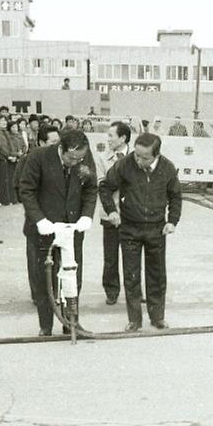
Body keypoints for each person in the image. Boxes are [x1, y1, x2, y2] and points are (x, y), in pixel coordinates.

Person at [99, 133, 181, 331]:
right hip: (129, 228)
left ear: (156, 155)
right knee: (131, 275)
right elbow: (105, 187)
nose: (138, 160)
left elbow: (175, 196)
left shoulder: (167, 168)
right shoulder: (124, 164)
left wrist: (172, 221)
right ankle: (134, 320)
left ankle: (157, 317)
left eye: (144, 158)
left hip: (156, 229)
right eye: (136, 155)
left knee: (157, 275)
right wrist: (111, 210)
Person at [18, 129, 97, 336]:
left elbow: (91, 187)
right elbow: (26, 190)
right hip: (44, 229)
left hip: (72, 229)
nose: (75, 162)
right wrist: (39, 219)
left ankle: (71, 322)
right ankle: (45, 325)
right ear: (61, 148)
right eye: (71, 158)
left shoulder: (83, 156)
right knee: (44, 279)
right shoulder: (38, 157)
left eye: (79, 158)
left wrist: (86, 215)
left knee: (72, 277)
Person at [15, 124, 60, 302]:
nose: (57, 145)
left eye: (59, 142)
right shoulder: (27, 161)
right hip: (36, 221)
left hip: (57, 220)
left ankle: (54, 294)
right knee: (36, 262)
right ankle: (39, 297)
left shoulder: (60, 160)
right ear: (41, 142)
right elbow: (21, 190)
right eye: (53, 142)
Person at [94, 121, 130, 305]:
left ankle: (136, 292)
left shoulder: (137, 156)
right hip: (111, 215)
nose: (108, 139)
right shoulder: (102, 158)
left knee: (133, 256)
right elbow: (102, 186)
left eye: (111, 136)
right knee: (111, 256)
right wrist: (112, 211)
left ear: (123, 138)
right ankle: (111, 290)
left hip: (133, 215)